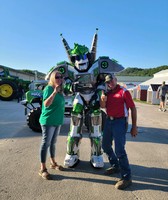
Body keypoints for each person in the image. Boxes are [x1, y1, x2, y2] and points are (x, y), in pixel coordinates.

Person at [100, 74, 138, 190]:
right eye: (108, 82)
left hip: (120, 122)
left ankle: (127, 177)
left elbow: (133, 108)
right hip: (108, 121)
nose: (110, 83)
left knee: (119, 150)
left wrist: (134, 126)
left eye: (112, 81)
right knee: (105, 145)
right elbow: (102, 106)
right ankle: (115, 166)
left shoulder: (124, 91)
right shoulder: (107, 92)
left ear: (116, 80)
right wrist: (102, 99)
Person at [39, 70, 65, 180]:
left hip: (57, 121)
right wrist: (54, 92)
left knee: (53, 143)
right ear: (52, 78)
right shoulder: (49, 89)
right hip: (48, 121)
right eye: (57, 77)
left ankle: (53, 163)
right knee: (46, 143)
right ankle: (42, 168)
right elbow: (46, 104)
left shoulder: (60, 90)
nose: (59, 79)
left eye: (61, 77)